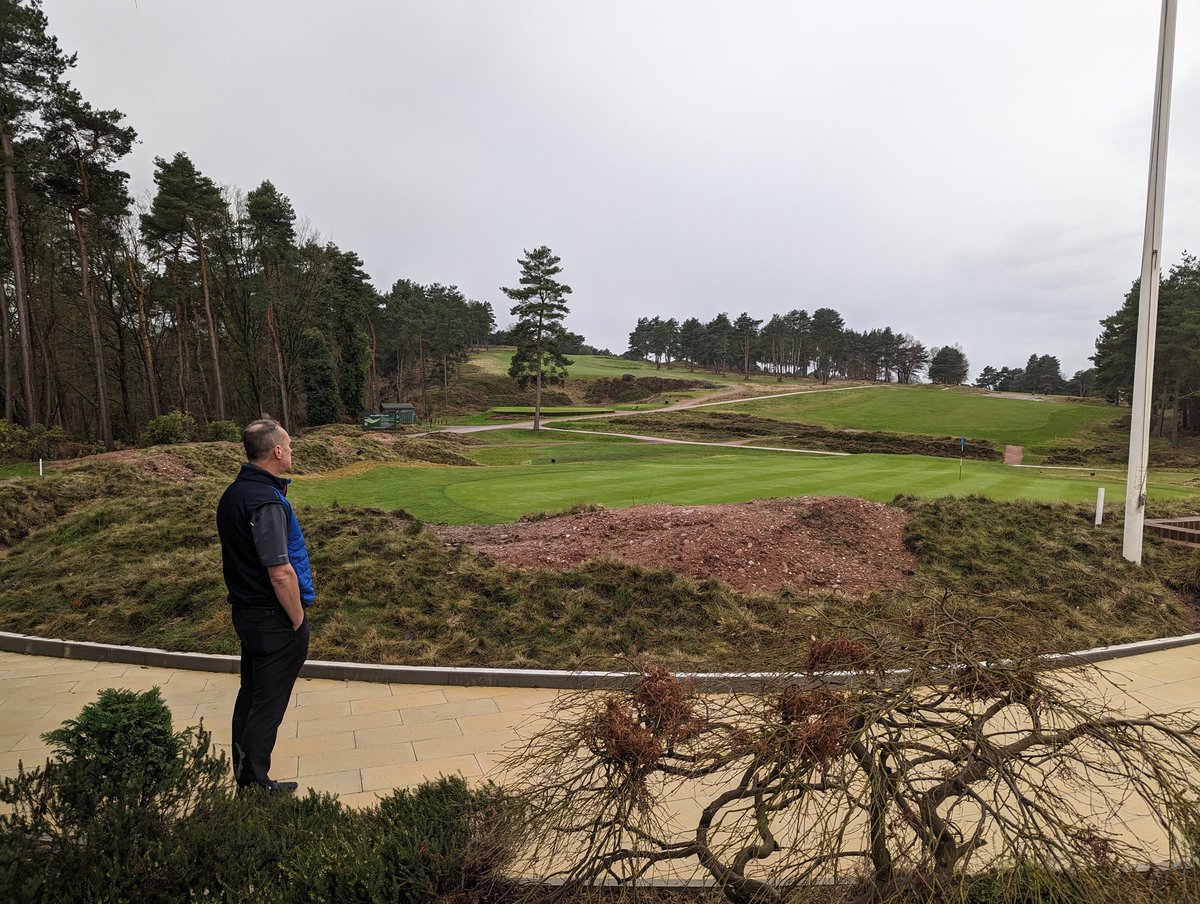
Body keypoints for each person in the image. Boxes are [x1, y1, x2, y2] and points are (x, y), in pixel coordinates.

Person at [216, 418, 315, 792]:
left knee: (251, 696)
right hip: (272, 618)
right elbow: (280, 571)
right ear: (276, 451)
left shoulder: (235, 493)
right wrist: (297, 618)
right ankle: (256, 789)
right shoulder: (265, 501)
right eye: (288, 446)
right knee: (267, 706)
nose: (291, 451)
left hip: (247, 613)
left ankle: (247, 780)